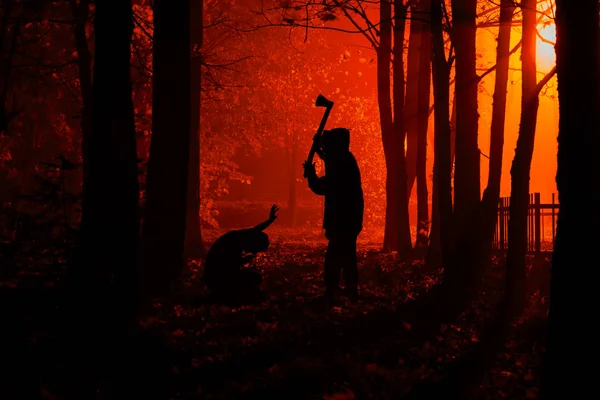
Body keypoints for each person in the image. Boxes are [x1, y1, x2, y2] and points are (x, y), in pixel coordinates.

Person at [303, 128, 364, 303]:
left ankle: (334, 292)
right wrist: (319, 150)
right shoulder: (345, 158)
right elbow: (329, 158)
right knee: (347, 256)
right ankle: (349, 292)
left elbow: (323, 187)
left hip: (342, 220)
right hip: (349, 219)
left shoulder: (340, 162)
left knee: (335, 259)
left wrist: (312, 175)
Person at [202, 205, 279, 295]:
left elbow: (255, 231)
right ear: (253, 243)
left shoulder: (238, 237)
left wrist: (269, 221)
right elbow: (230, 265)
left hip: (216, 275)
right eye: (255, 250)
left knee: (253, 278)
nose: (253, 252)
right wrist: (244, 260)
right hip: (217, 279)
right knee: (254, 279)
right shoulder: (233, 243)